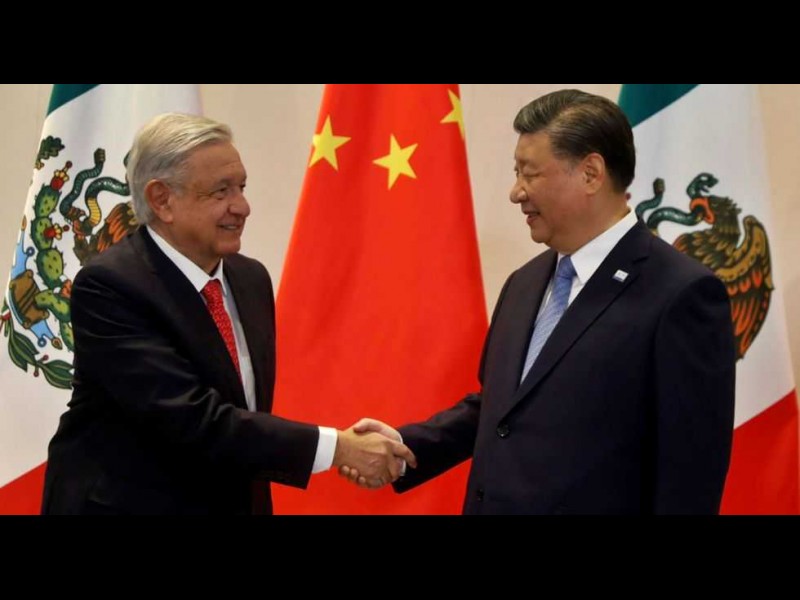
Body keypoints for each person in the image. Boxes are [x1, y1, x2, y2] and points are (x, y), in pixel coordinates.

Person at [341, 89, 736, 514]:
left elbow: (689, 474)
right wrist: (408, 447)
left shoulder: (680, 293)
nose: (516, 192)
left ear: (591, 173)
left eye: (529, 174)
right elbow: (503, 409)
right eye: (517, 173)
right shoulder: (524, 283)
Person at [41, 112, 414, 515]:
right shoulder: (110, 287)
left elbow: (245, 414)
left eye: (241, 187)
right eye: (221, 192)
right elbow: (192, 418)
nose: (243, 207)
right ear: (162, 200)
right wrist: (339, 448)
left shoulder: (250, 279)